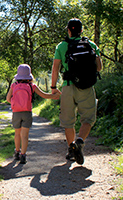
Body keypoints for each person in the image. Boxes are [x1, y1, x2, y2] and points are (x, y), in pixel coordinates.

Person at [50, 18, 103, 165]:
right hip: (87, 86)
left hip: (68, 86)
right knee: (88, 119)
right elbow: (99, 67)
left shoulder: (61, 46)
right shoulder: (91, 44)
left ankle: (71, 149)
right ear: (81, 30)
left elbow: (55, 68)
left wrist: (54, 87)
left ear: (68, 30)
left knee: (68, 121)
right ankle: (80, 141)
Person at [6, 64, 60, 164]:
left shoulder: (13, 85)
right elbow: (44, 95)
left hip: (16, 113)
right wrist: (55, 96)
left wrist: (15, 103)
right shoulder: (32, 86)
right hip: (27, 113)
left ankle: (17, 152)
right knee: (25, 135)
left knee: (17, 134)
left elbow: (8, 99)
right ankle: (23, 155)